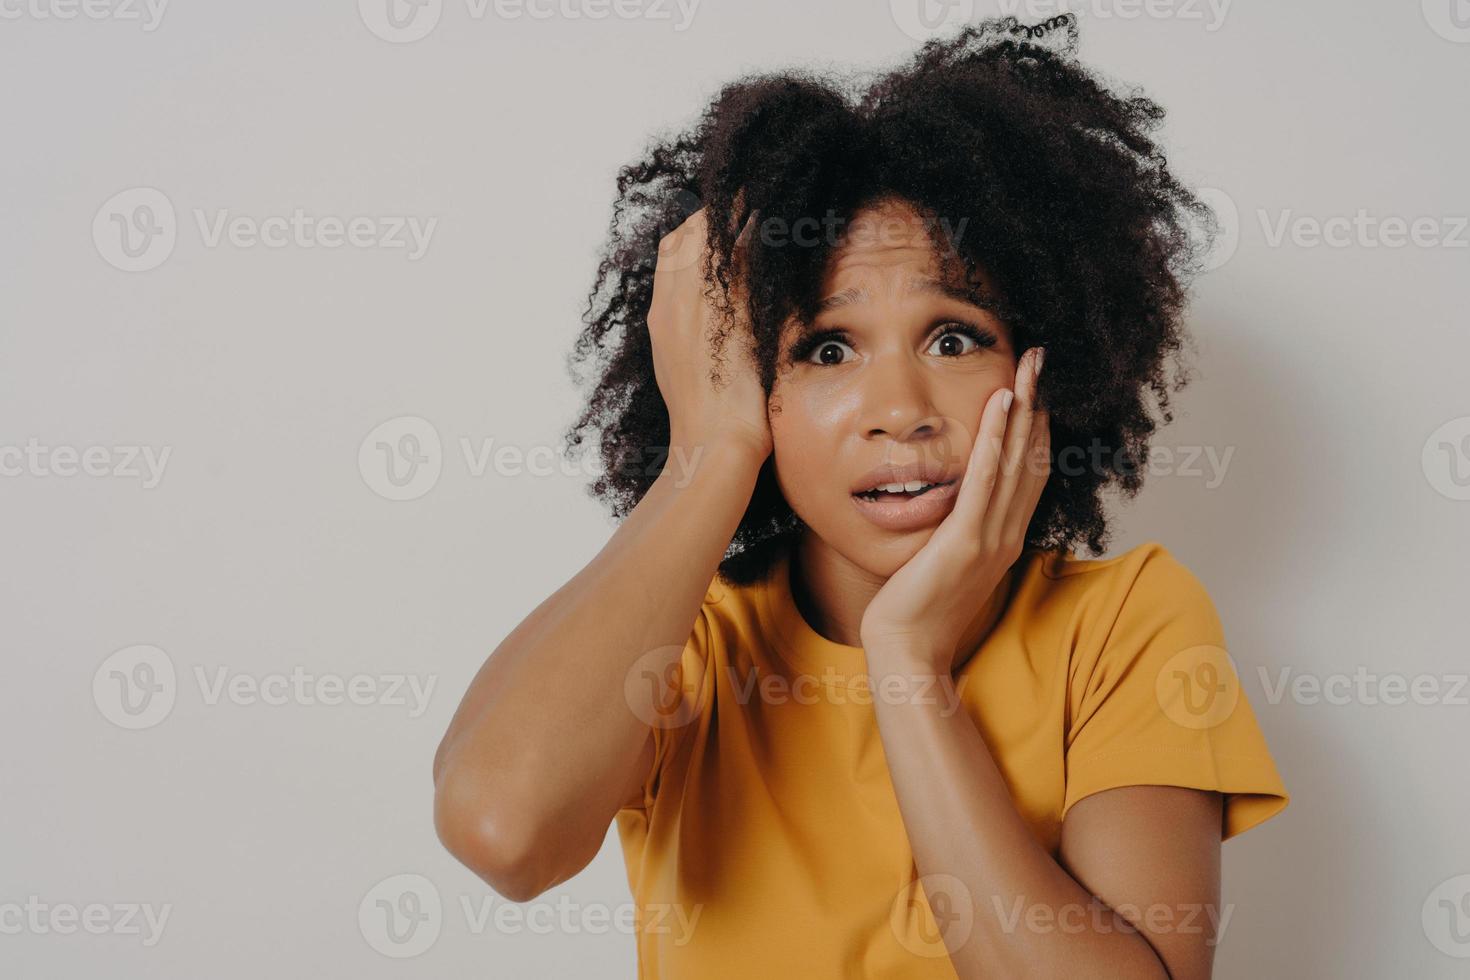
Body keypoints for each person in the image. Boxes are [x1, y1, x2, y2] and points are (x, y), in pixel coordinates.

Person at [433, 15, 1288, 978]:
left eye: (954, 337)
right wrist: (706, 454)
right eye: (825, 348)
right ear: (751, 383)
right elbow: (502, 833)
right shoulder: (687, 641)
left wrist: (909, 660)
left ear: (1047, 370)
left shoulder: (1125, 624)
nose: (901, 412)